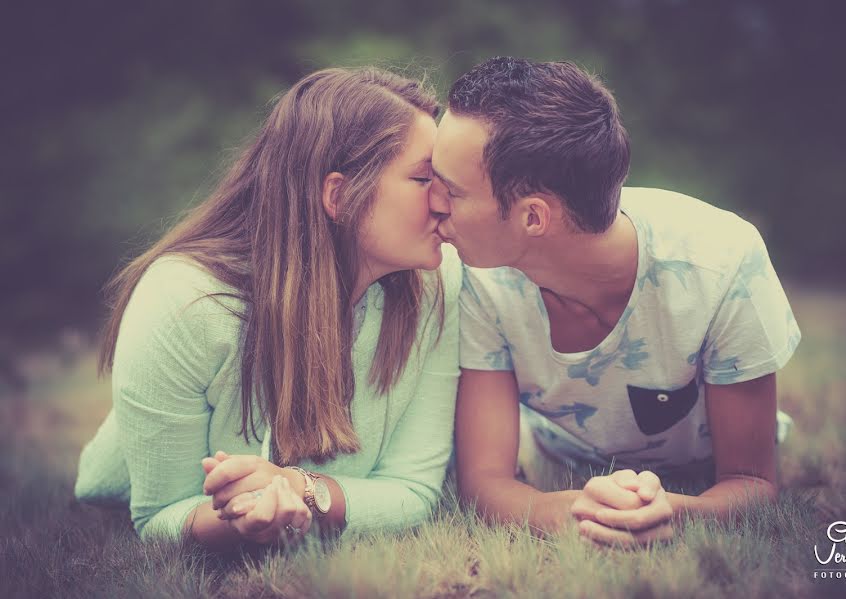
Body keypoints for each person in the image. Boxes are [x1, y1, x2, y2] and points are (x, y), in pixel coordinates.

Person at [75, 67, 462, 551]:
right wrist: (242, 519)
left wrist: (299, 488)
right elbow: (158, 516)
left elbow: (413, 491)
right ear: (339, 196)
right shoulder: (182, 301)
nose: (447, 201)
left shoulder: (439, 277)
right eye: (423, 178)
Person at [429, 57, 801, 547]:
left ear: (533, 218)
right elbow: (485, 482)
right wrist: (564, 511)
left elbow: (752, 483)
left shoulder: (722, 263)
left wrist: (677, 512)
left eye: (451, 191)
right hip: (562, 465)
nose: (432, 202)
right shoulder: (476, 276)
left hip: (700, 469)